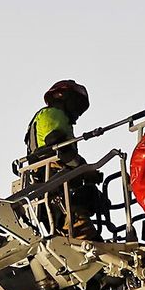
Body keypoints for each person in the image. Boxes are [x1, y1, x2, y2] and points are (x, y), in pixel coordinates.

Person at [22, 79, 100, 239]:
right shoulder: (54, 114)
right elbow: (58, 147)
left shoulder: (42, 118)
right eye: (77, 104)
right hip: (57, 188)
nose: (78, 112)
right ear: (61, 97)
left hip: (51, 190)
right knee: (86, 238)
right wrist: (85, 170)